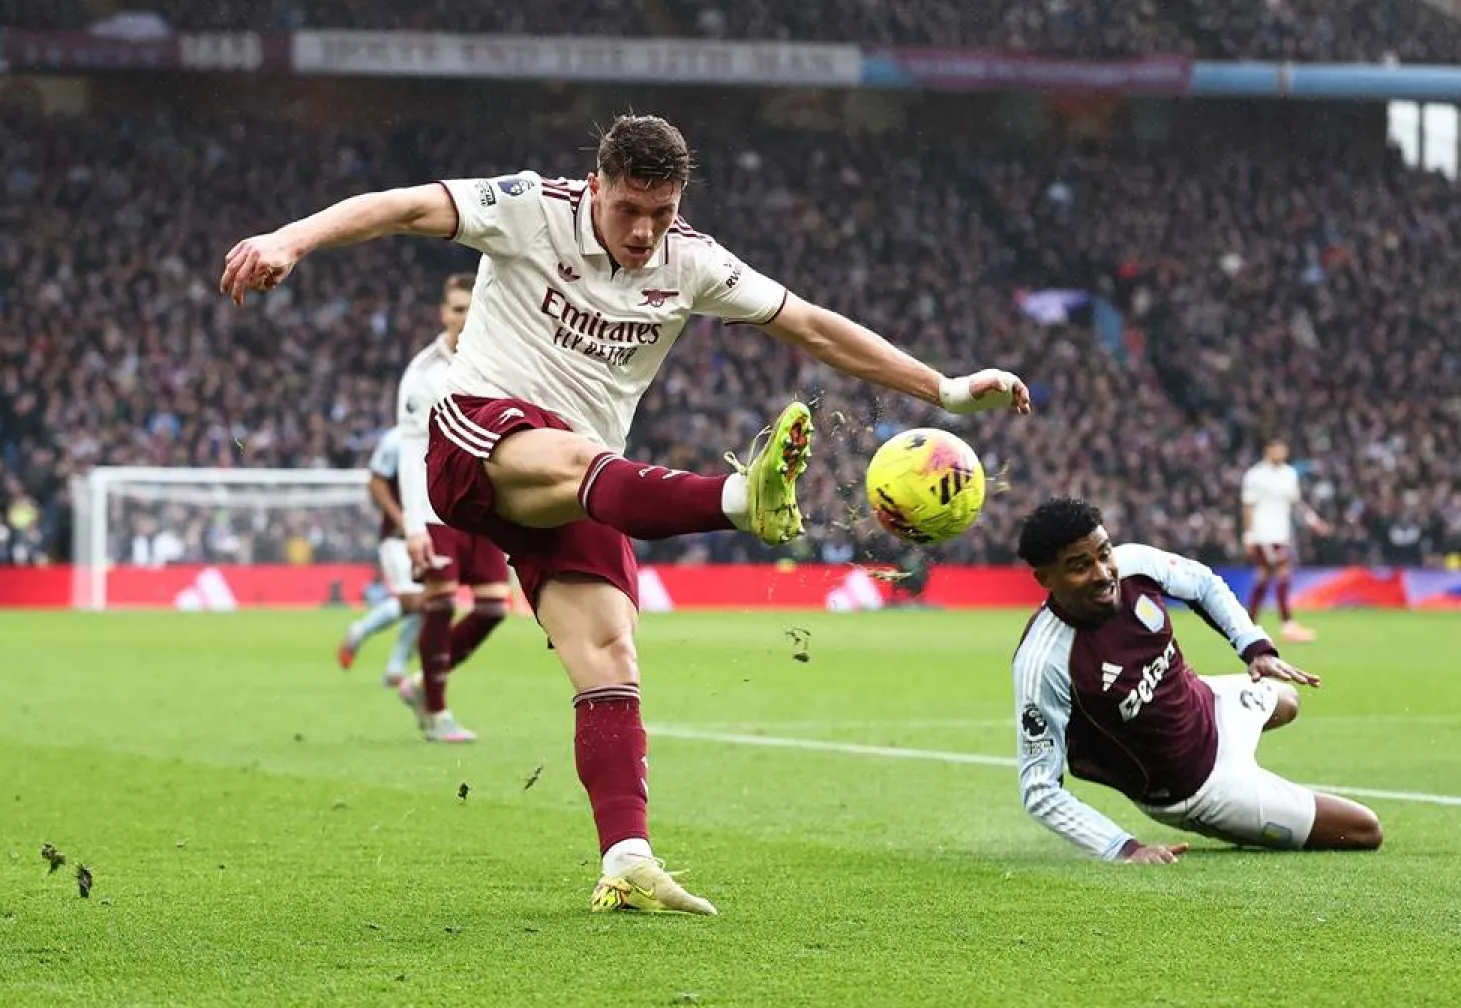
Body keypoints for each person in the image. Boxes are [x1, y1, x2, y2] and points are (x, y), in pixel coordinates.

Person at [221, 113, 1030, 915]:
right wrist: (291, 240)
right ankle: (738, 499)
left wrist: (947, 388)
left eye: (662, 212)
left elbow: (812, 326)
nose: (644, 231)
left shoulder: (693, 262)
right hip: (479, 437)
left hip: (585, 478)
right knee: (579, 461)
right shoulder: (527, 208)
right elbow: (399, 205)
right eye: (628, 209)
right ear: (598, 184)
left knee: (611, 653)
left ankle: (627, 858)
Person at [1011, 496, 1381, 863]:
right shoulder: (1045, 662)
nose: (1104, 573)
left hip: (1210, 705)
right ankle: (1245, 805)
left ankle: (1257, 781)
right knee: (1365, 829)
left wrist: (1255, 648)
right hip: (1197, 789)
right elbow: (1040, 789)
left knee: (1288, 699)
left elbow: (1203, 583)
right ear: (1045, 578)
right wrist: (1124, 848)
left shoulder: (1134, 563)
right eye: (1080, 566)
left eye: (1104, 554)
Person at [392, 273, 513, 743]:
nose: (465, 318)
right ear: (444, 313)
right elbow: (408, 447)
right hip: (435, 505)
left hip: (482, 505)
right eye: (457, 309)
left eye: (471, 309)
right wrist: (412, 526)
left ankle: (423, 685)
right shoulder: (423, 373)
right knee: (439, 604)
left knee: (491, 609)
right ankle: (437, 712)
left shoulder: (499, 363)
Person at [337, 424, 423, 688]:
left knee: (427, 602)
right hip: (398, 538)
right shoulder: (396, 439)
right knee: (417, 600)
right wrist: (400, 519)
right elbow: (375, 483)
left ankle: (395, 668)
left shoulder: (437, 435)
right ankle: (361, 631)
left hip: (427, 536)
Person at [1241, 437, 1331, 643]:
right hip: (1263, 534)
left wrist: (1312, 520)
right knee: (1282, 572)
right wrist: (1248, 535)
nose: (1281, 453)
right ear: (1268, 450)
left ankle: (1247, 624)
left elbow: (1295, 502)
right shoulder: (1255, 475)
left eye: (1284, 449)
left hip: (1281, 534)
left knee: (1264, 576)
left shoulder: (1289, 474)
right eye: (1277, 449)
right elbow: (1247, 506)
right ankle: (1287, 626)